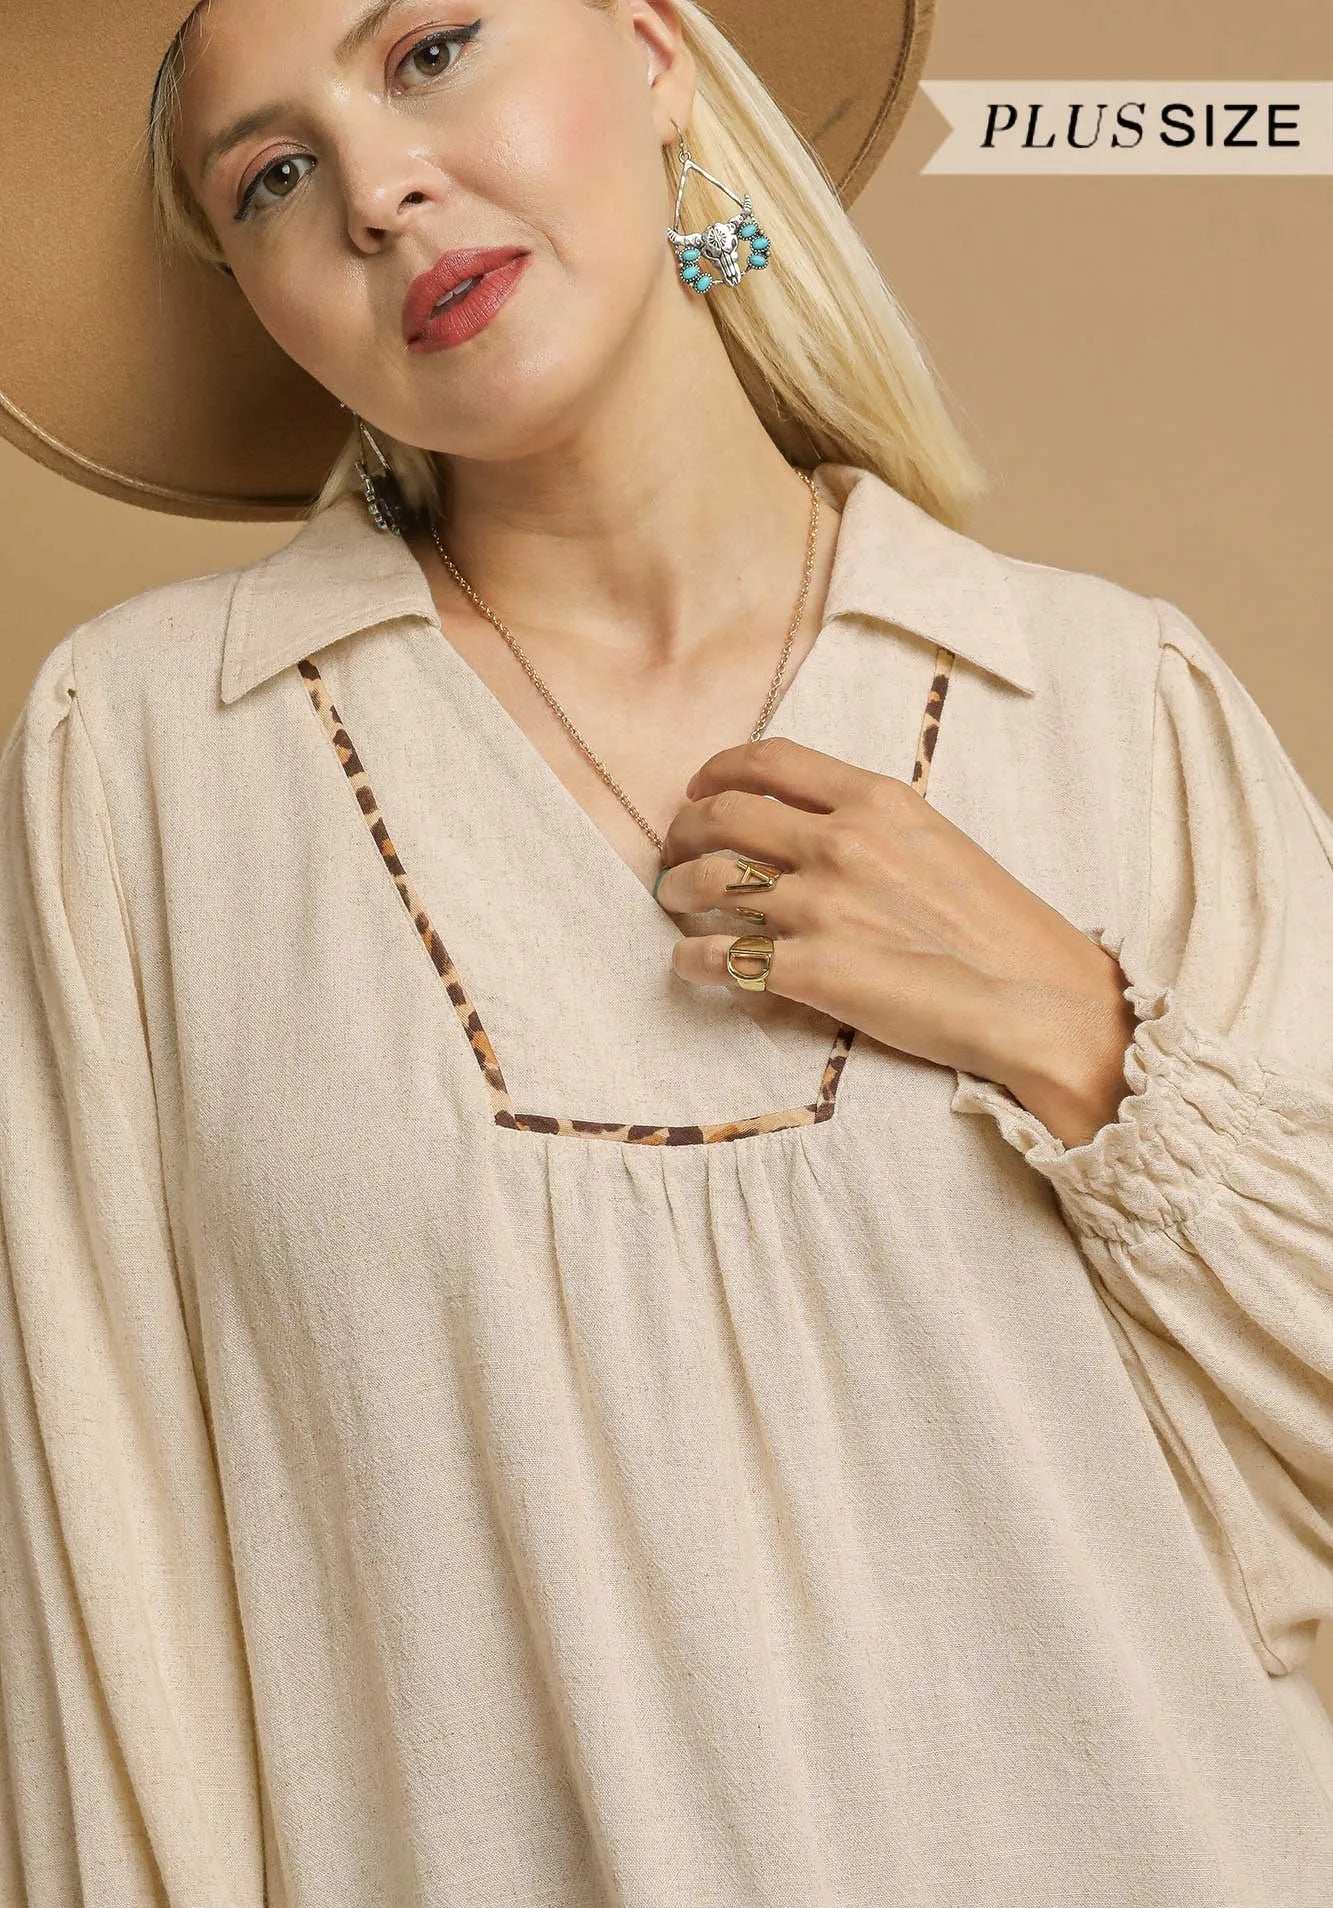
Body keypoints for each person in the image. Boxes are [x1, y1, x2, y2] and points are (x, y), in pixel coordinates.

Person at [0, 1, 1330, 1902]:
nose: (376, 188)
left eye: (431, 49)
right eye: (272, 174)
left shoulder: (1109, 700)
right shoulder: (140, 764)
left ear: (651, 52)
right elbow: (98, 1589)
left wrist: (1076, 1032)